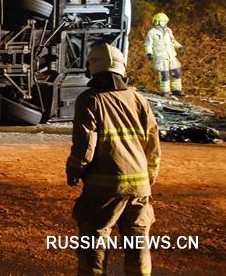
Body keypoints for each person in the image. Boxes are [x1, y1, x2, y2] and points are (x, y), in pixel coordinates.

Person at [66, 43, 160, 276]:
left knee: (94, 240)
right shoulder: (139, 100)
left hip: (104, 187)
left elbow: (86, 143)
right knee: (137, 243)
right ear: (121, 69)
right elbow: (153, 143)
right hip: (139, 186)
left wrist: (75, 169)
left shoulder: (90, 100)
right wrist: (150, 176)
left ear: (92, 70)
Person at [144, 12, 184, 97]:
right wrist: (149, 53)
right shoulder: (152, 32)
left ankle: (177, 90)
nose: (165, 23)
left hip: (171, 56)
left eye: (166, 22)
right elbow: (148, 44)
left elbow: (173, 41)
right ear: (157, 22)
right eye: (163, 21)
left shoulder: (168, 31)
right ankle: (165, 91)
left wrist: (179, 47)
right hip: (160, 57)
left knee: (176, 72)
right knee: (164, 74)